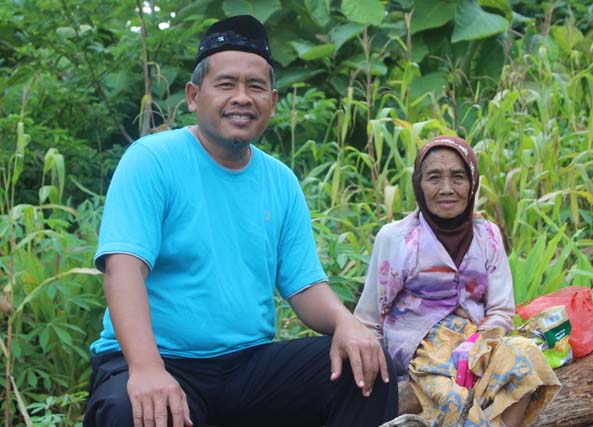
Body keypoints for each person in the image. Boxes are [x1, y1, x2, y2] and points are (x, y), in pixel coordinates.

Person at [83, 15, 397, 427]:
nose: (242, 98)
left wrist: (347, 322)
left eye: (256, 87)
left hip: (246, 367)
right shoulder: (152, 160)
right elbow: (123, 270)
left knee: (365, 368)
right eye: (227, 84)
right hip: (154, 360)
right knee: (134, 412)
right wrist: (146, 369)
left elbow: (305, 288)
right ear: (194, 96)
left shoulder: (280, 181)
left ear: (273, 99)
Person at [355, 135, 561, 427]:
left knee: (525, 356)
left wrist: (477, 346)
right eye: (434, 178)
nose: (447, 189)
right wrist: (379, 374)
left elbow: (501, 310)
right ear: (419, 184)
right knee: (457, 402)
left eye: (458, 177)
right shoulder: (398, 239)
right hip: (422, 352)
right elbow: (370, 317)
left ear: (472, 182)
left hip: (478, 343)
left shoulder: (487, 236)